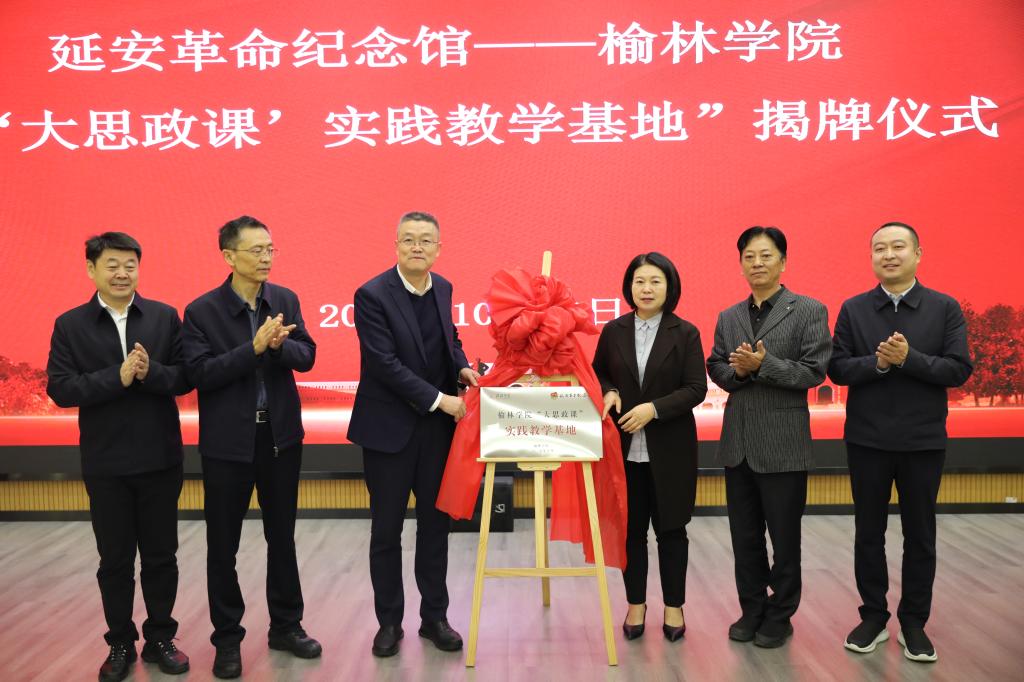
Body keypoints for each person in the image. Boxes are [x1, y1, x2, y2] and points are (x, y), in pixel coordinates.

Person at [46, 232, 191, 681]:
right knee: (114, 561)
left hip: (160, 459)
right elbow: (61, 389)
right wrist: (118, 376)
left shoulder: (164, 317)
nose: (122, 273)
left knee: (161, 556)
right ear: (91, 269)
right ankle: (120, 643)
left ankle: (161, 637)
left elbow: (186, 377)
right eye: (112, 265)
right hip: (106, 463)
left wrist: (150, 372)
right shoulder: (70, 324)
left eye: (130, 265)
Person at [181, 216, 321, 679]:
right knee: (223, 545)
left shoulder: (284, 299)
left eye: (270, 249)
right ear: (229, 256)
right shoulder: (201, 311)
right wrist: (254, 348)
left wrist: (278, 348)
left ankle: (287, 626)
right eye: (256, 250)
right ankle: (227, 639)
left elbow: (308, 355)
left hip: (280, 439)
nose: (265, 258)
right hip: (228, 445)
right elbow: (200, 375)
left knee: (282, 537)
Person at [828, 222, 972, 663]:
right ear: (871, 257)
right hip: (867, 441)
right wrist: (879, 364)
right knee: (868, 533)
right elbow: (837, 368)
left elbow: (958, 369)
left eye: (897, 247)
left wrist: (910, 359)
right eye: (879, 248)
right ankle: (873, 615)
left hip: (922, 441)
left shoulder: (944, 308)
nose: (888, 255)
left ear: (918, 254)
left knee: (920, 535)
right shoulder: (854, 309)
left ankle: (914, 623)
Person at [347, 211, 480, 658]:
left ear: (439, 249)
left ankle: (434, 618)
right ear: (396, 246)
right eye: (408, 239)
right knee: (386, 530)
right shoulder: (371, 294)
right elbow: (384, 364)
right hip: (389, 431)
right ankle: (389, 622)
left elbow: (448, 339)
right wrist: (441, 400)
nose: (417, 247)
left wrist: (461, 367)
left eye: (425, 240)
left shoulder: (442, 287)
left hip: (435, 433)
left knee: (435, 527)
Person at [706, 226, 831, 648]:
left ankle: (781, 614)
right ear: (741, 264)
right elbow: (716, 366)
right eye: (749, 257)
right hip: (738, 443)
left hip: (783, 444)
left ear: (783, 262)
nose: (757, 263)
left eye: (766, 255)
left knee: (784, 537)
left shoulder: (808, 310)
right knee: (745, 538)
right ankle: (752, 608)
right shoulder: (729, 316)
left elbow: (814, 372)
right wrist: (739, 373)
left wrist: (763, 365)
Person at [592, 252, 708, 642]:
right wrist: (609, 391)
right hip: (624, 451)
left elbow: (696, 388)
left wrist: (652, 410)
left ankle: (674, 606)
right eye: (639, 281)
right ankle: (635, 604)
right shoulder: (614, 330)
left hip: (671, 449)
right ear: (629, 287)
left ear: (669, 286)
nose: (646, 288)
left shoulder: (685, 332)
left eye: (655, 281)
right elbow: (599, 371)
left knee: (672, 530)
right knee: (631, 531)